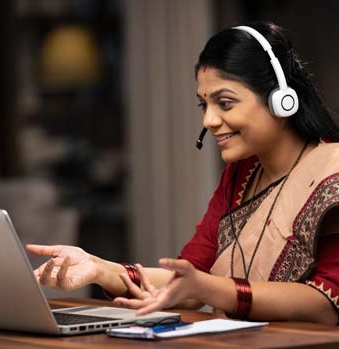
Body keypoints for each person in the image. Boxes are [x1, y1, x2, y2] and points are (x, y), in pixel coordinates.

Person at [27, 21, 339, 325]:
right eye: (204, 105)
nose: (210, 120)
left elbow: (325, 303)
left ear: (281, 101)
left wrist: (213, 288)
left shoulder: (331, 174)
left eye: (225, 103)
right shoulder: (240, 176)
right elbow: (188, 281)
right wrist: (97, 268)